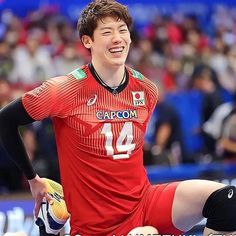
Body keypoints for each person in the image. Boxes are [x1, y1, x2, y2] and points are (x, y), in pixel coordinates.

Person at [0, 1, 236, 235]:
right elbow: (6, 120)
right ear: (87, 41)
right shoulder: (64, 90)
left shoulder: (146, 90)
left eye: (122, 30)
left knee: (227, 201)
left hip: (143, 204)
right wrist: (33, 178)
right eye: (107, 31)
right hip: (95, 226)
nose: (117, 38)